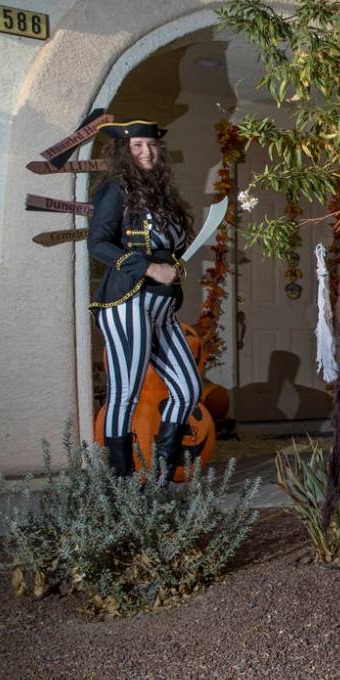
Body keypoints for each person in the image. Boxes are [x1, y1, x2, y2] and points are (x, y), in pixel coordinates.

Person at [88, 120, 201, 478]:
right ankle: (121, 488)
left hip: (162, 309)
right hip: (128, 303)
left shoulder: (161, 193)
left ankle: (159, 480)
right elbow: (98, 244)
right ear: (125, 149)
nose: (146, 152)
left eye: (151, 145)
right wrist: (151, 270)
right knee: (125, 394)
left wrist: (174, 267)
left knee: (188, 388)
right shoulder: (115, 189)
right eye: (138, 145)